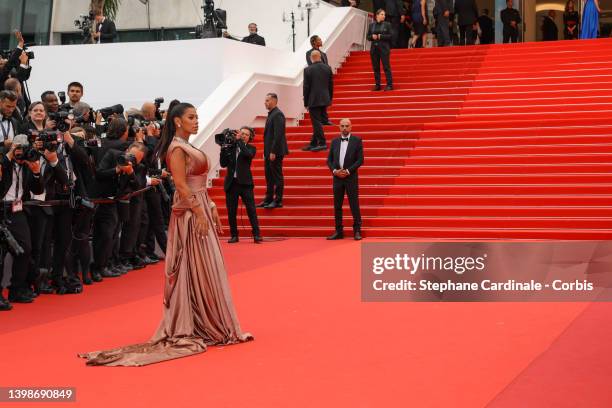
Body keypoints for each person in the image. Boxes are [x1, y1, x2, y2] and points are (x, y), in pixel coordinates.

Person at [79, 103, 253, 366]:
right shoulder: (175, 148)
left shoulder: (187, 145)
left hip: (200, 206)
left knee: (206, 266)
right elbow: (182, 185)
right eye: (191, 117)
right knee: (196, 266)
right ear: (177, 121)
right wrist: (199, 211)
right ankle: (201, 321)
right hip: (190, 212)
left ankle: (207, 319)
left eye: (197, 117)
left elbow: (198, 184)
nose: (196, 121)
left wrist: (212, 206)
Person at [220, 127, 262, 243]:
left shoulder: (251, 148)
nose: (243, 135)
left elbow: (247, 154)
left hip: (245, 184)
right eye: (241, 133)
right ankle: (234, 235)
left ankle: (256, 234)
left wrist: (239, 141)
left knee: (251, 210)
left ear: (250, 138)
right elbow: (223, 164)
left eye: (246, 135)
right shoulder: (231, 147)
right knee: (231, 211)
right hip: (231, 184)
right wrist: (223, 149)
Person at [326, 119, 363, 241]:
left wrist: (347, 171)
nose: (344, 128)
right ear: (339, 127)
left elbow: (360, 160)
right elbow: (329, 160)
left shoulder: (357, 141)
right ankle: (338, 231)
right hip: (337, 178)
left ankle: (357, 230)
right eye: (342, 126)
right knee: (337, 205)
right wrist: (335, 171)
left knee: (354, 204)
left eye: (347, 126)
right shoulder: (335, 141)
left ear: (351, 127)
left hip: (350, 177)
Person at [257, 93, 288, 209]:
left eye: (267, 100)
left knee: (276, 176)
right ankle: (268, 199)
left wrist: (273, 151)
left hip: (276, 152)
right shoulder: (271, 114)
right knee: (268, 176)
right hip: (269, 152)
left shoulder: (278, 114)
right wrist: (266, 152)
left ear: (275, 101)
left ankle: (278, 200)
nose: (265, 103)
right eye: (265, 100)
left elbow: (278, 135)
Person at [302, 51, 334, 152]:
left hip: (313, 99)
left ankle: (322, 142)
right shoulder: (327, 68)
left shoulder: (308, 70)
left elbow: (306, 87)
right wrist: (329, 98)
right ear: (320, 57)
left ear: (311, 58)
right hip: (325, 98)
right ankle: (314, 143)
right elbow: (331, 85)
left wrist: (306, 102)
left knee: (316, 123)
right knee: (318, 122)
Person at [368, 9, 394, 91]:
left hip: (384, 48)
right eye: (382, 14)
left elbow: (391, 36)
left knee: (386, 67)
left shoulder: (387, 24)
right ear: (377, 15)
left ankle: (389, 85)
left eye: (384, 15)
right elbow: (367, 36)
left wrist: (381, 36)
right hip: (374, 49)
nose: (384, 16)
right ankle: (377, 85)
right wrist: (372, 37)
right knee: (376, 67)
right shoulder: (371, 25)